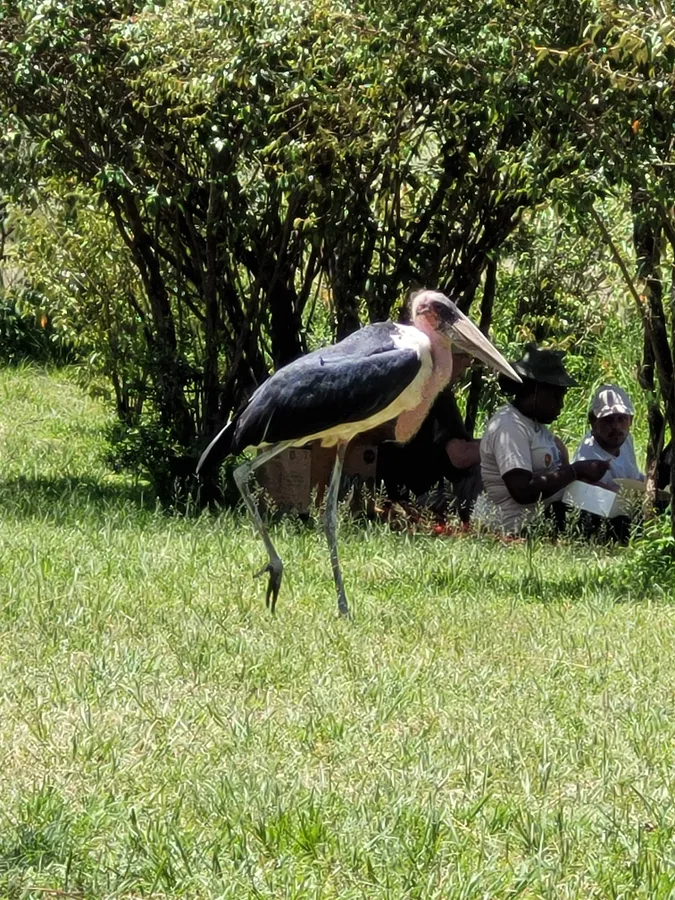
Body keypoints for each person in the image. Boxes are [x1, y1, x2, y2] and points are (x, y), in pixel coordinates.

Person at [473, 343, 610, 534]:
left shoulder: (535, 426)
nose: (561, 406)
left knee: (621, 510)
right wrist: (575, 471)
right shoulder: (509, 427)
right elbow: (522, 491)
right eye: (556, 397)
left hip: (548, 512)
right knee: (614, 524)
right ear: (536, 391)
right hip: (519, 523)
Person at [376, 352, 482, 521]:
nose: (469, 363)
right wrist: (500, 448)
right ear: (445, 356)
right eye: (463, 356)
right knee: (488, 469)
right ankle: (497, 526)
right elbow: (459, 457)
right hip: (423, 494)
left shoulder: (407, 385)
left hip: (391, 488)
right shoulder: (437, 393)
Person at [573, 385, 644, 491]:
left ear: (631, 421)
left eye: (621, 419)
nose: (616, 426)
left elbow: (634, 477)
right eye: (608, 420)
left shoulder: (626, 439)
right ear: (593, 421)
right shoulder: (589, 460)